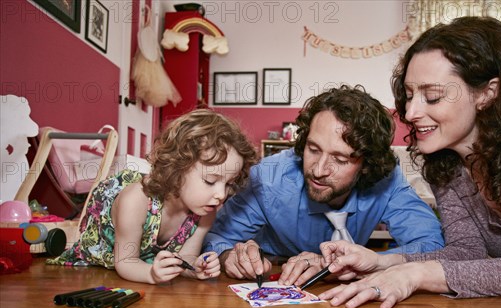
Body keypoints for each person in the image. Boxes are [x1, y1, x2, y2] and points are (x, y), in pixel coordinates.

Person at [317, 16, 501, 308]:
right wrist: (383, 262)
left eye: (433, 96)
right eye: (410, 95)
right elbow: (466, 251)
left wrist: (414, 274)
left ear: (487, 93)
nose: (411, 112)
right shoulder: (446, 159)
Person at [203, 85, 444, 285]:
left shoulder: (387, 180)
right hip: (274, 277)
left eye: (340, 160)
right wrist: (228, 257)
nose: (318, 170)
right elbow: (216, 239)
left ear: (367, 163)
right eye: (313, 149)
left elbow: (431, 245)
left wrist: (359, 261)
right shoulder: (268, 177)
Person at [48, 109, 258, 284]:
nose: (221, 195)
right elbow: (126, 262)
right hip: (97, 268)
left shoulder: (205, 211)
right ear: (178, 168)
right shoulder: (136, 200)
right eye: (210, 181)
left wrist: (195, 267)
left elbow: (186, 257)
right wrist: (151, 273)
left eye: (228, 184)